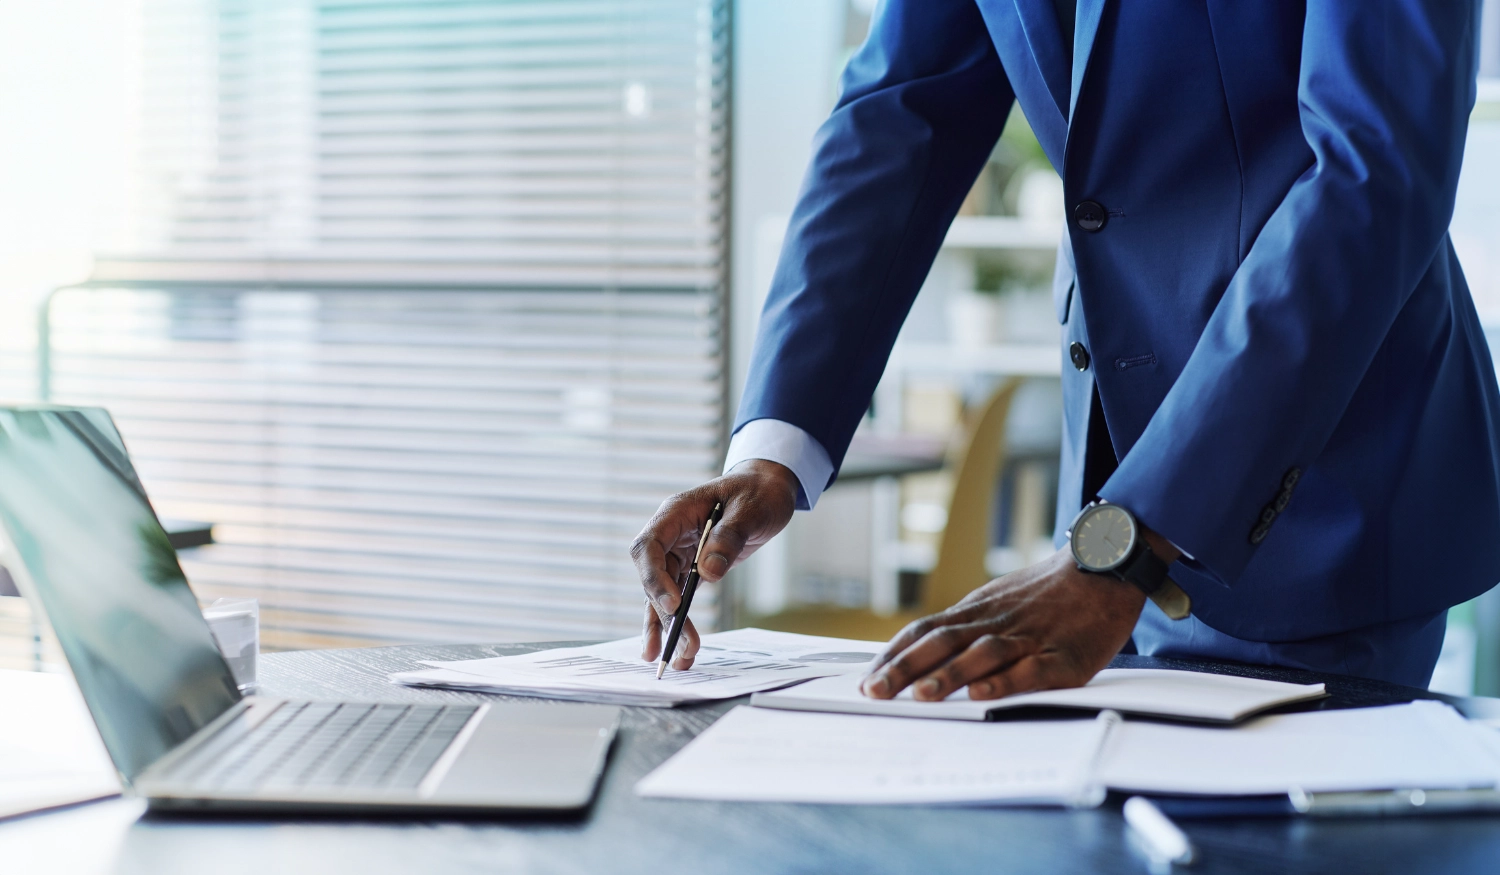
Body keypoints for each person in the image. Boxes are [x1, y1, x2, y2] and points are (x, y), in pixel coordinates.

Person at [631, 0, 1500, 699]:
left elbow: (1375, 173)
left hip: (1322, 486)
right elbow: (900, 113)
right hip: (1110, 496)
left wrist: (1124, 542)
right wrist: (773, 452)